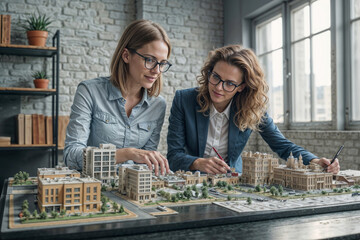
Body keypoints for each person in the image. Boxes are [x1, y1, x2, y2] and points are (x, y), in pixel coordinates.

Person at [167, 45, 340, 175]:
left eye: (229, 83)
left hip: (233, 180)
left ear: (241, 87)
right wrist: (198, 163)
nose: (218, 87)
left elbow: (282, 145)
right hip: (191, 178)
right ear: (209, 73)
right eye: (216, 77)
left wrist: (315, 160)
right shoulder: (184, 100)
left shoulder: (251, 108)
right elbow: (174, 156)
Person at [64, 20, 172, 176]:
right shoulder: (89, 91)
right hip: (92, 186)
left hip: (131, 188)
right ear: (126, 55)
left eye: (162, 63)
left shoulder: (158, 105)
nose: (157, 70)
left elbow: (147, 160)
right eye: (150, 60)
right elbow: (71, 156)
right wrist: (127, 153)